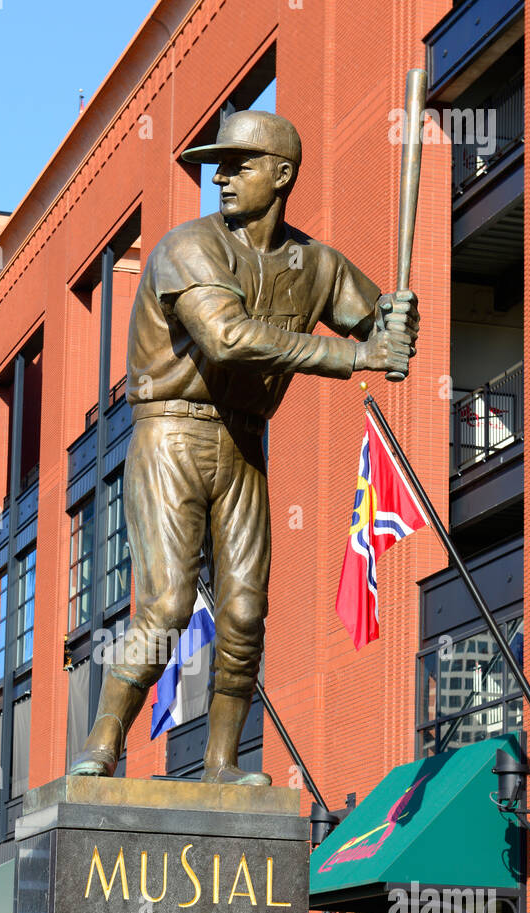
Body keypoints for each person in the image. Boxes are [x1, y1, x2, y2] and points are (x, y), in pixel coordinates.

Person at [69, 109, 419, 784]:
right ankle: (104, 743)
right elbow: (225, 336)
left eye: (239, 165)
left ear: (282, 174)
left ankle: (223, 765)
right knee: (169, 604)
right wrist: (357, 358)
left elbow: (373, 316)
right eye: (217, 167)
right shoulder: (187, 246)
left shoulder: (312, 262)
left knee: (244, 611)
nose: (221, 178)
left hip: (244, 440)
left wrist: (399, 316)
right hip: (171, 429)